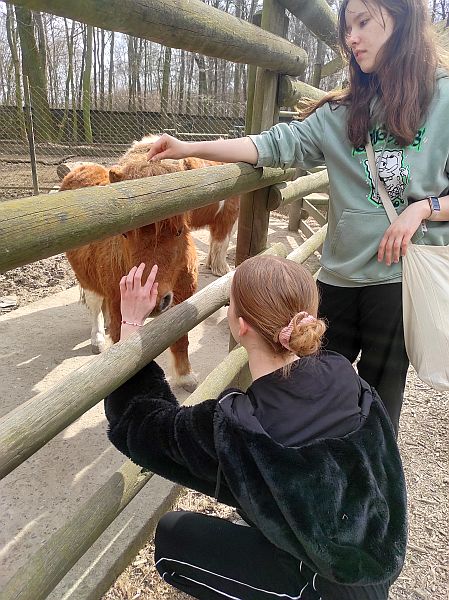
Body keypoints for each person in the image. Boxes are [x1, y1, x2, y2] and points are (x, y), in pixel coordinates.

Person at [146, 0, 449, 434]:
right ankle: (311, 480)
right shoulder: (341, 112)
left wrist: (423, 208)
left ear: (403, 21)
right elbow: (268, 145)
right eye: (347, 28)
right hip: (339, 277)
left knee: (382, 396)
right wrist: (190, 148)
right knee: (310, 384)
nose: (352, 38)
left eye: (363, 23)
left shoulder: (443, 99)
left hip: (399, 278)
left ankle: (373, 483)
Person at [105, 255, 407, 600]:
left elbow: (140, 425)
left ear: (241, 325)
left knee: (172, 537)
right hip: (377, 559)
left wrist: (129, 326)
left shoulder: (241, 426)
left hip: (324, 589)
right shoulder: (342, 372)